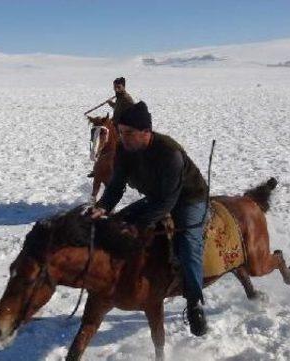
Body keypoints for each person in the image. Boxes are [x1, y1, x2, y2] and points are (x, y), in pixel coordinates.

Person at [88, 101, 209, 336]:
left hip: (187, 198)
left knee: (188, 244)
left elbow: (167, 203)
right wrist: (103, 207)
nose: (123, 138)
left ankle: (194, 302)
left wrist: (137, 225)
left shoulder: (169, 153)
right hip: (157, 196)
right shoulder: (124, 149)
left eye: (129, 133)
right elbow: (116, 186)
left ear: (146, 132)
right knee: (116, 224)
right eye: (121, 132)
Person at [87, 77, 135, 178]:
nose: (116, 89)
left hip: (121, 127)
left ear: (123, 87)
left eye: (118, 87)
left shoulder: (127, 98)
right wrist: (111, 104)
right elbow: (118, 108)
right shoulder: (120, 97)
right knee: (100, 137)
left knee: (111, 147)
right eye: (114, 87)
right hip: (114, 124)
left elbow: (134, 110)